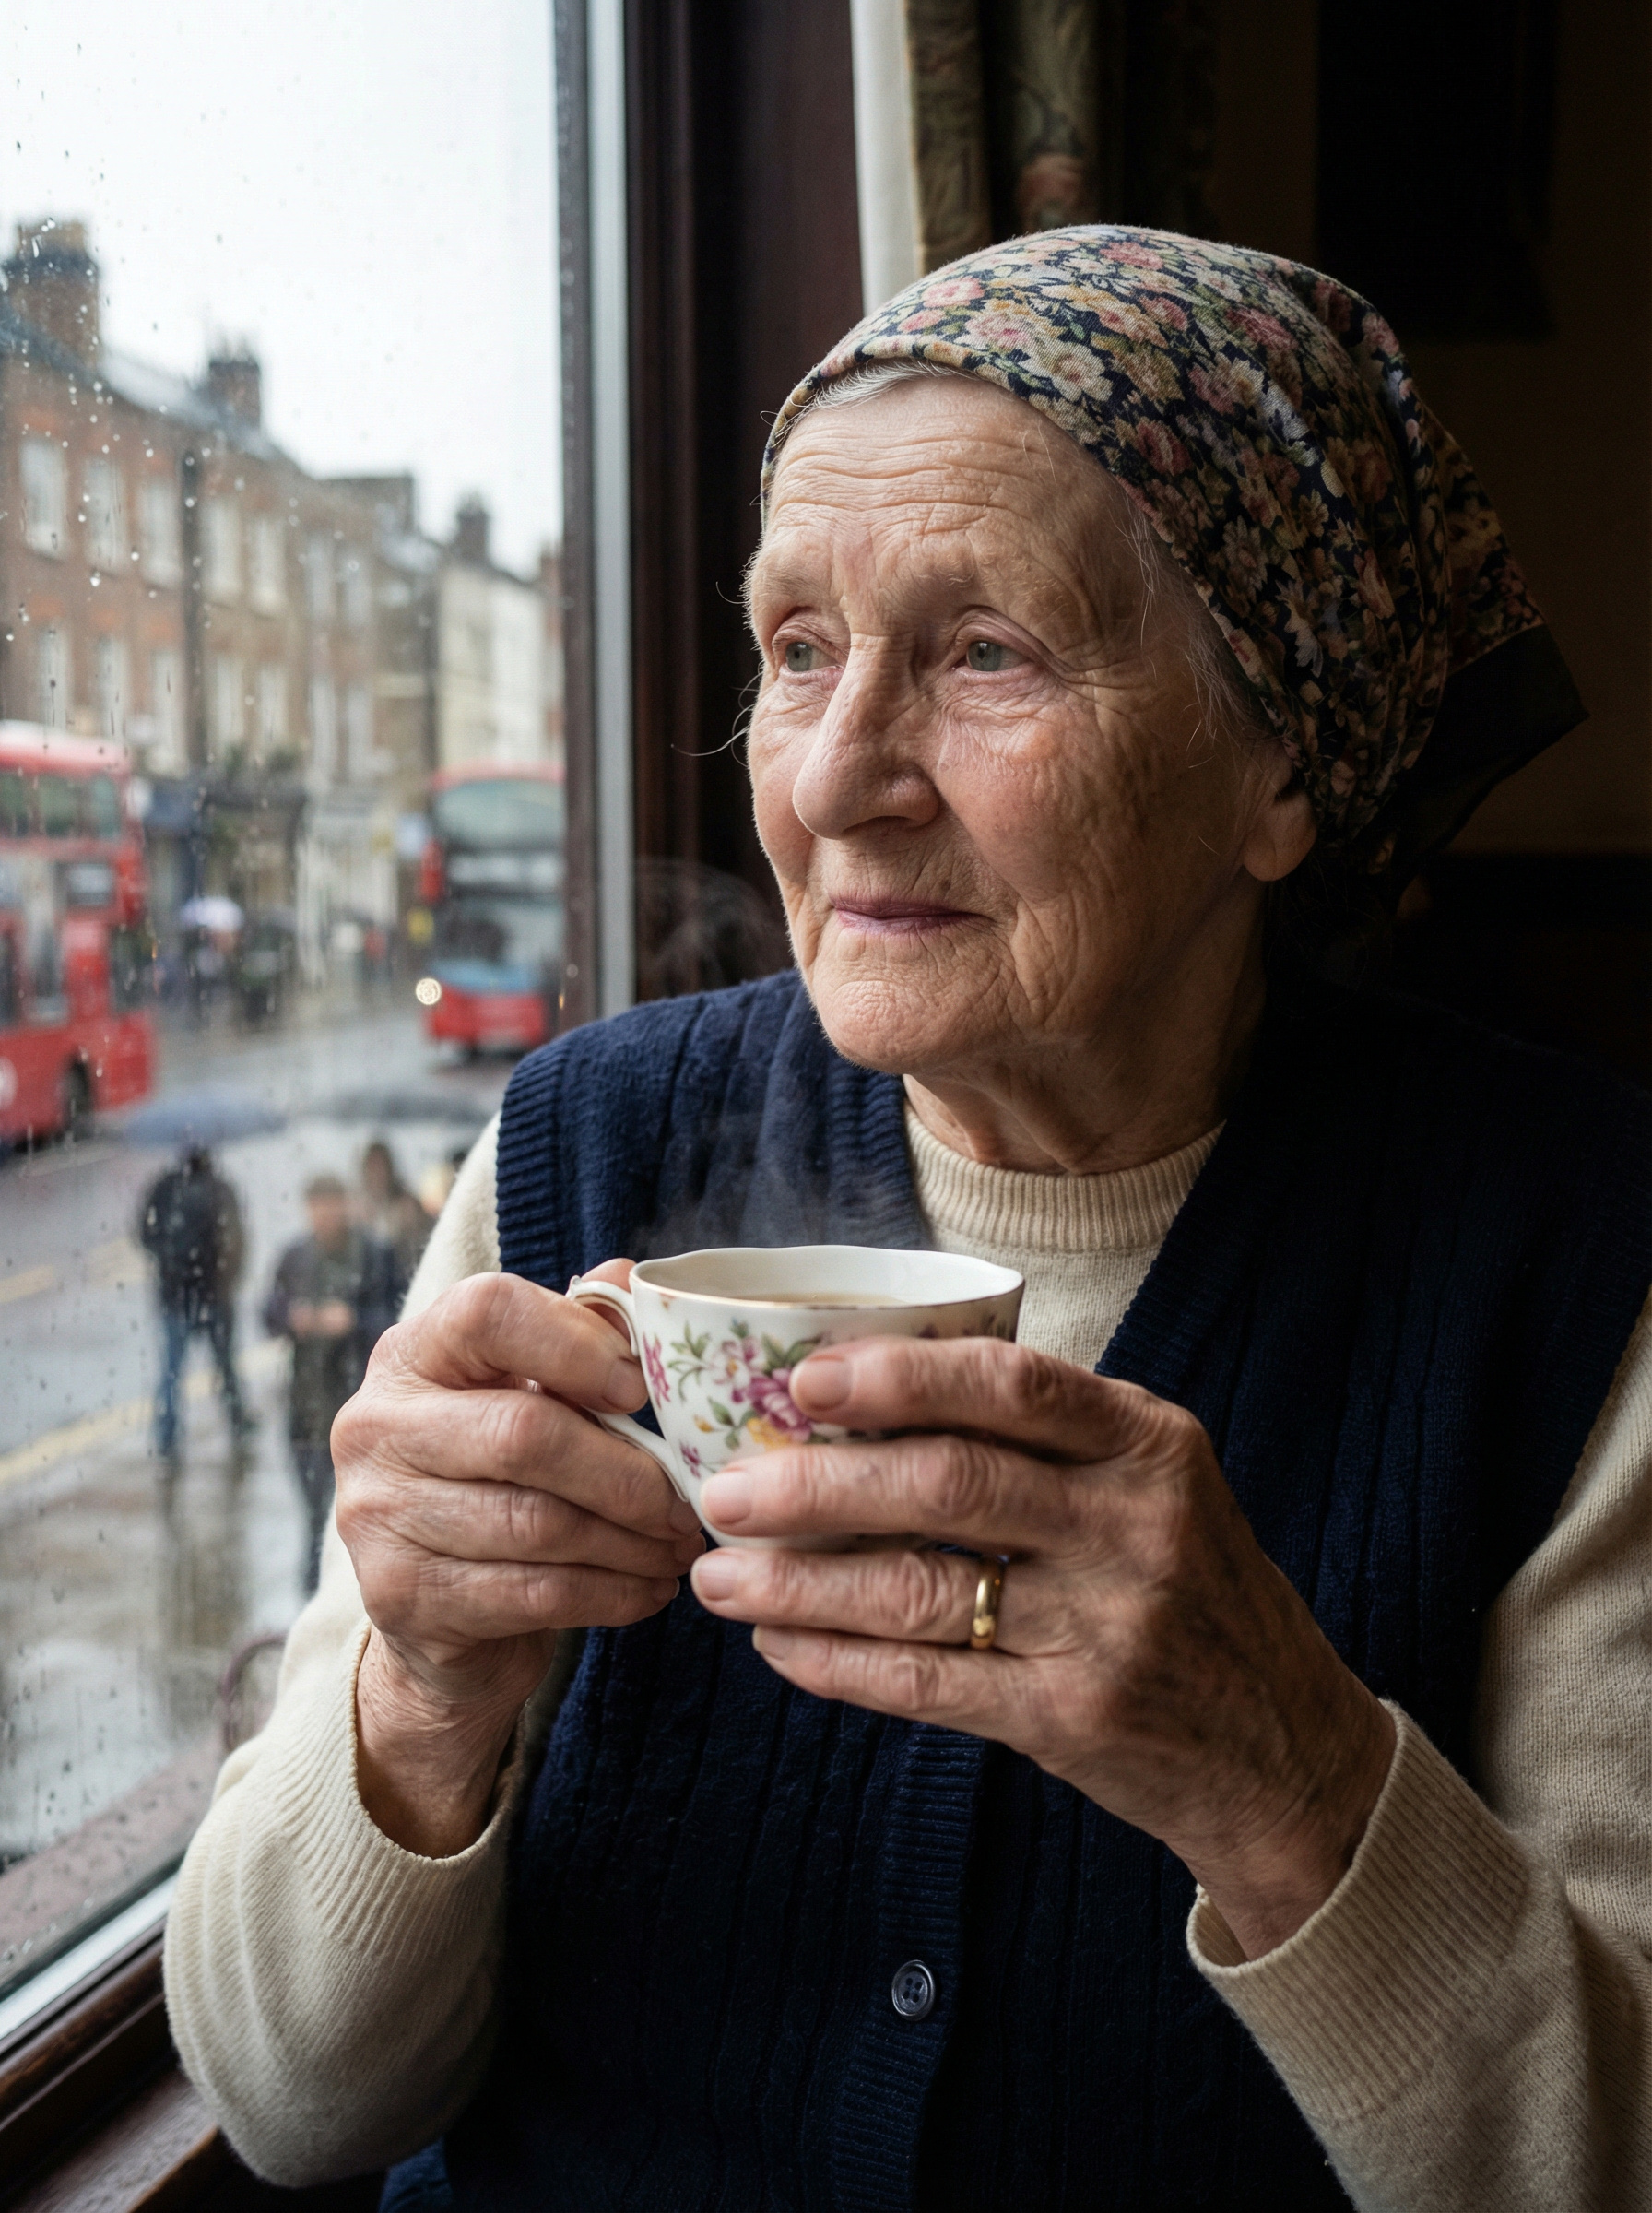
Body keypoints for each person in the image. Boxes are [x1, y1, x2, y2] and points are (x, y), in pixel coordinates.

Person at [165, 231, 1652, 2211]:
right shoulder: (578, 1155)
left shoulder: (1561, 1253)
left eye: (982, 653)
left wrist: (1282, 1776)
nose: (839, 779)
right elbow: (290, 2105)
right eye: (795, 649)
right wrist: (416, 1702)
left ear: (1277, 764)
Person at [261, 1174, 399, 1596]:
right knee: (315, 1515)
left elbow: (401, 1317)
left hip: (357, 1407)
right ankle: (313, 1605)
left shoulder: (375, 1255)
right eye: (316, 1207)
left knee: (348, 1521)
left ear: (344, 1205)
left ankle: (341, 1601)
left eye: (331, 1205)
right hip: (306, 1410)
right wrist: (292, 1318)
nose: (324, 1216)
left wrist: (354, 1322)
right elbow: (267, 1312)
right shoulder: (295, 1257)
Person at [136, 1143, 252, 1464]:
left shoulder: (165, 1187)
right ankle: (238, 1423)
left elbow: (144, 1234)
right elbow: (236, 1241)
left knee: (172, 1372)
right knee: (225, 1366)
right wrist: (226, 1280)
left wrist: (169, 1259)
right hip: (215, 1295)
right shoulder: (220, 1189)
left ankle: (167, 1440)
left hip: (174, 1296)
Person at [358, 1139, 433, 1284]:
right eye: (372, 1166)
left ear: (389, 1168)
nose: (376, 1173)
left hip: (403, 1278)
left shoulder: (407, 1204)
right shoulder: (358, 1207)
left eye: (380, 1166)